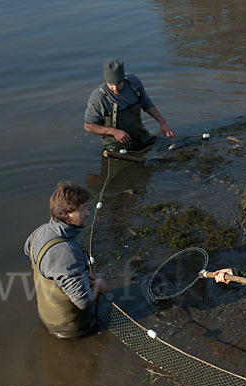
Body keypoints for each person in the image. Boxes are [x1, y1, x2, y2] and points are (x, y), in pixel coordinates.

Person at [24, 182, 108, 338]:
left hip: (46, 315)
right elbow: (83, 301)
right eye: (83, 209)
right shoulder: (66, 253)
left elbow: (30, 254)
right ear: (67, 214)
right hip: (69, 327)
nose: (88, 214)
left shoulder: (40, 232)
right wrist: (97, 285)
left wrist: (75, 277)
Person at [84, 58, 174, 151]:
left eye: (118, 83)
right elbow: (89, 126)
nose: (115, 88)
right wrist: (113, 131)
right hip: (117, 144)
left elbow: (147, 104)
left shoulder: (133, 83)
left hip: (140, 136)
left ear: (123, 78)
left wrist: (162, 123)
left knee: (168, 147)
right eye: (111, 85)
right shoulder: (98, 97)